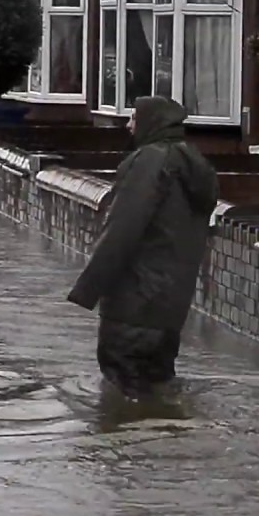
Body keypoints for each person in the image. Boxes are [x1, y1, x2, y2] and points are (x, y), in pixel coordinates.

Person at [66, 96, 219, 397]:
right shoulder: (195, 165)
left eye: (134, 118)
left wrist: (87, 289)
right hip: (170, 311)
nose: (128, 125)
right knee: (158, 390)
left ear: (151, 122)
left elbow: (122, 230)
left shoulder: (149, 162)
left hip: (133, 306)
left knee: (121, 399)